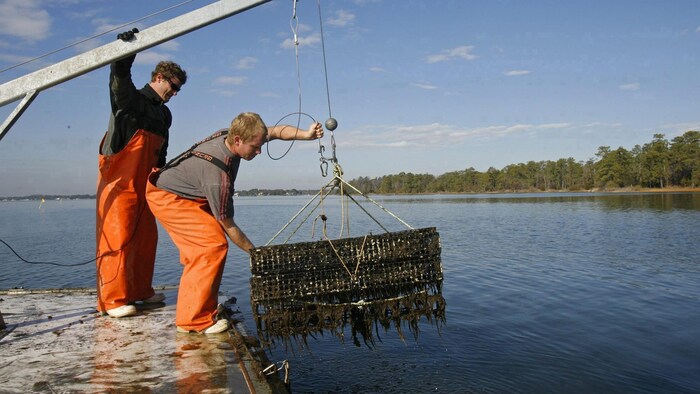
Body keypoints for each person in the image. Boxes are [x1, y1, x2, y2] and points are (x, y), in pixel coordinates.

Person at [145, 112, 323, 334]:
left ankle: (202, 304)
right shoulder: (217, 175)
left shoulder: (240, 136)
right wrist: (256, 254)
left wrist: (306, 135)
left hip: (190, 193)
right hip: (168, 197)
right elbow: (229, 226)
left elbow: (277, 131)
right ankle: (193, 320)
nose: (259, 151)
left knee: (206, 248)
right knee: (210, 247)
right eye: (255, 148)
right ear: (238, 140)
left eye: (260, 145)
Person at [96, 53, 187, 318]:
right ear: (159, 78)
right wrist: (127, 52)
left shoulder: (164, 114)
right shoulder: (130, 100)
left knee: (146, 239)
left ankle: (139, 291)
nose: (175, 92)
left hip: (146, 184)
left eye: (179, 89)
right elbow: (119, 78)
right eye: (173, 86)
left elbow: (161, 153)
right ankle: (112, 300)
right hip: (118, 183)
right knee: (117, 238)